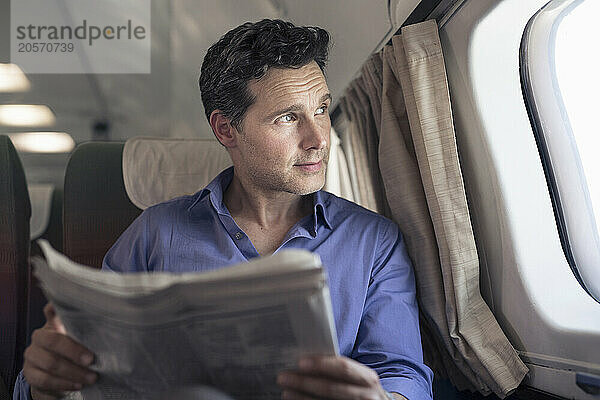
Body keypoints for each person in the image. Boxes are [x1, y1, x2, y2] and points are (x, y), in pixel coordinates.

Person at [15, 19, 433, 400]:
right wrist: (45, 385)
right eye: (289, 118)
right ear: (226, 129)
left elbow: (404, 376)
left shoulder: (374, 242)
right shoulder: (156, 233)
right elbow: (86, 364)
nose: (318, 138)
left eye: (321, 109)